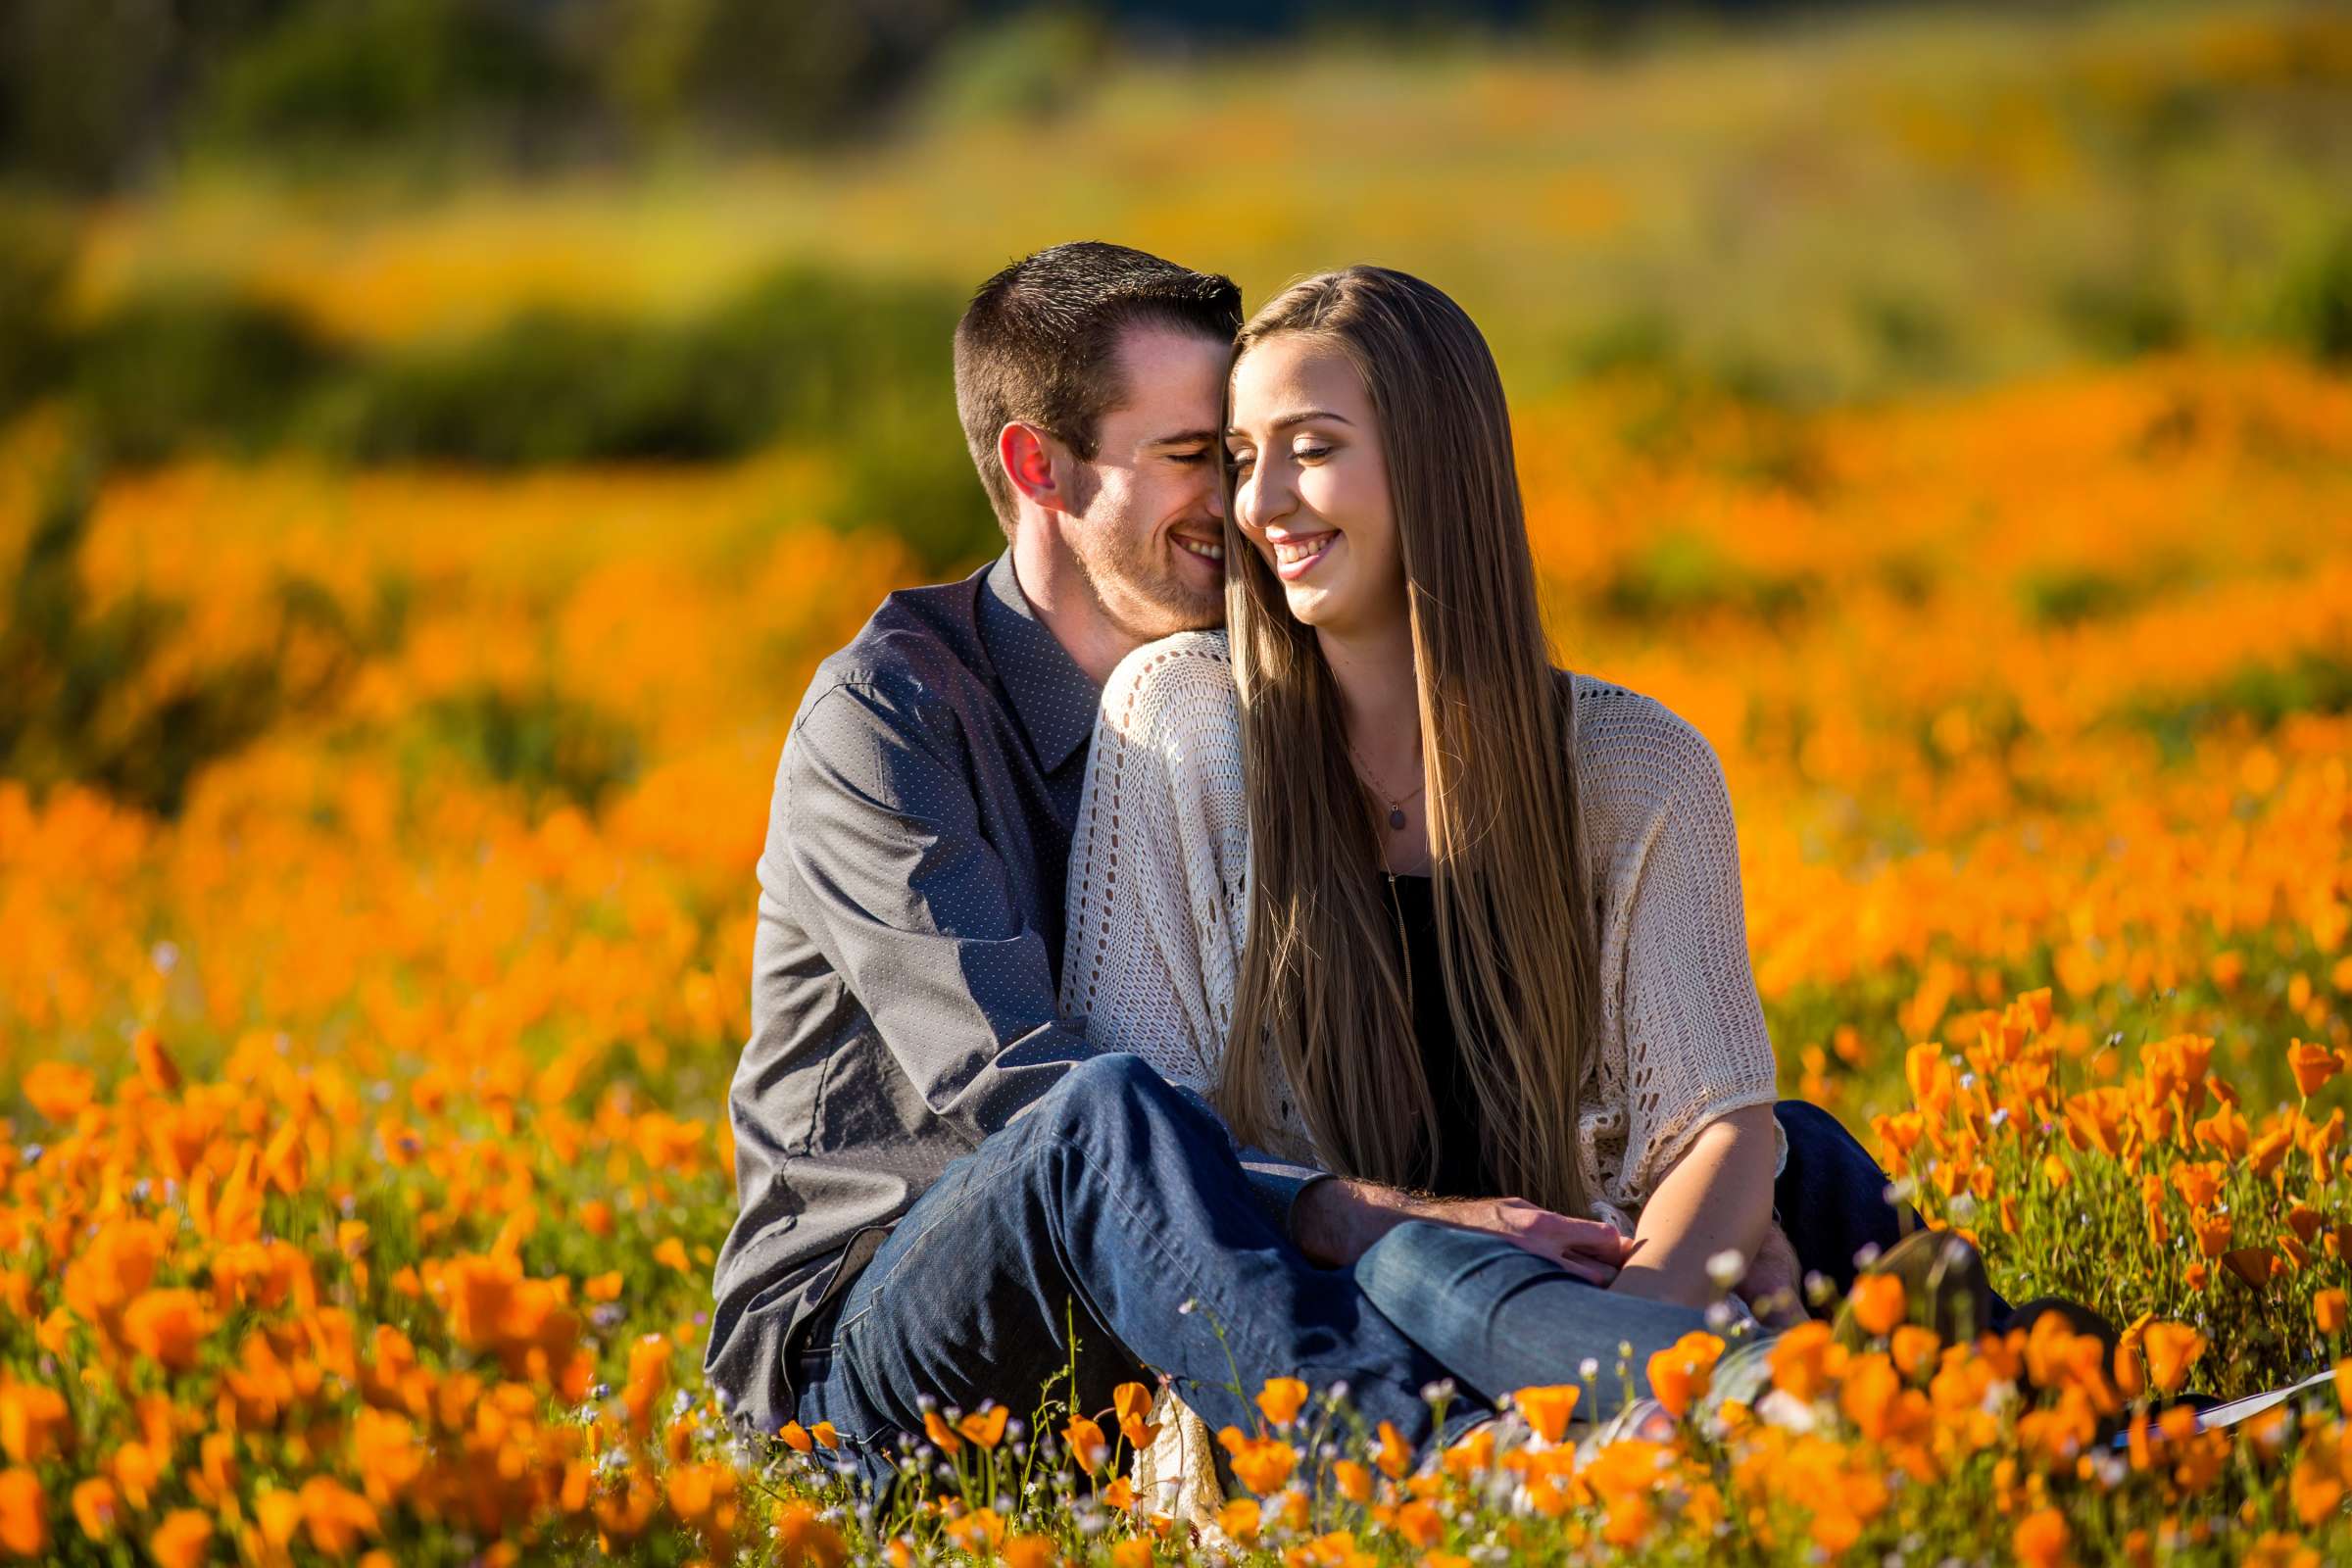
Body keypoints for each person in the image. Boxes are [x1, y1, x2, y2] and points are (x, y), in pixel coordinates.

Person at [705, 242, 1980, 1508]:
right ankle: (1427, 1478)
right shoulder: (893, 717)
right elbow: (1023, 1108)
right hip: (865, 1335)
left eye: (1260, 449)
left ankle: (2021, 1401)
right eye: (1202, 458)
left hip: (1182, 1284)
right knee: (1112, 1119)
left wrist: (1646, 1233)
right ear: (1041, 467)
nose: (1246, 506)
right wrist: (1366, 1215)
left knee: (1781, 1152)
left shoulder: (1263, 711)